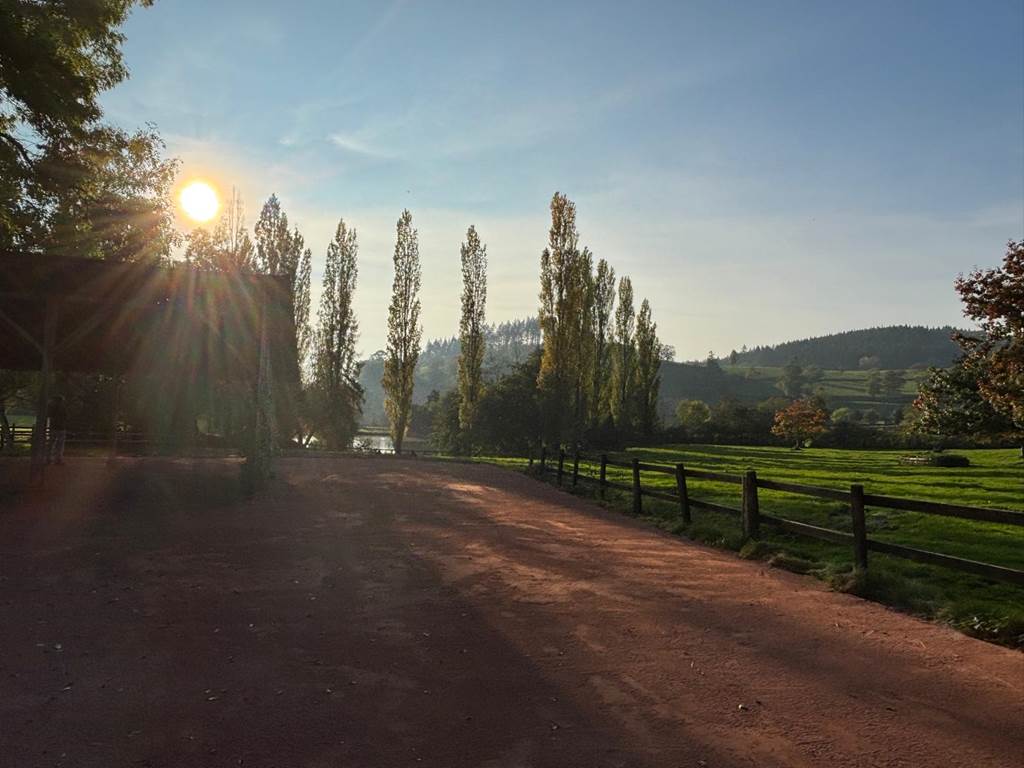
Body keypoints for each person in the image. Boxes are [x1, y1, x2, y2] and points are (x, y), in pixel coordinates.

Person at [47, 395, 68, 465]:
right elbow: (65, 417)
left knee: (51, 443)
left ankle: (49, 458)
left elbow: (49, 415)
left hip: (54, 427)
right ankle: (58, 459)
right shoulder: (63, 408)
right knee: (60, 445)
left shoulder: (52, 407)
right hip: (61, 428)